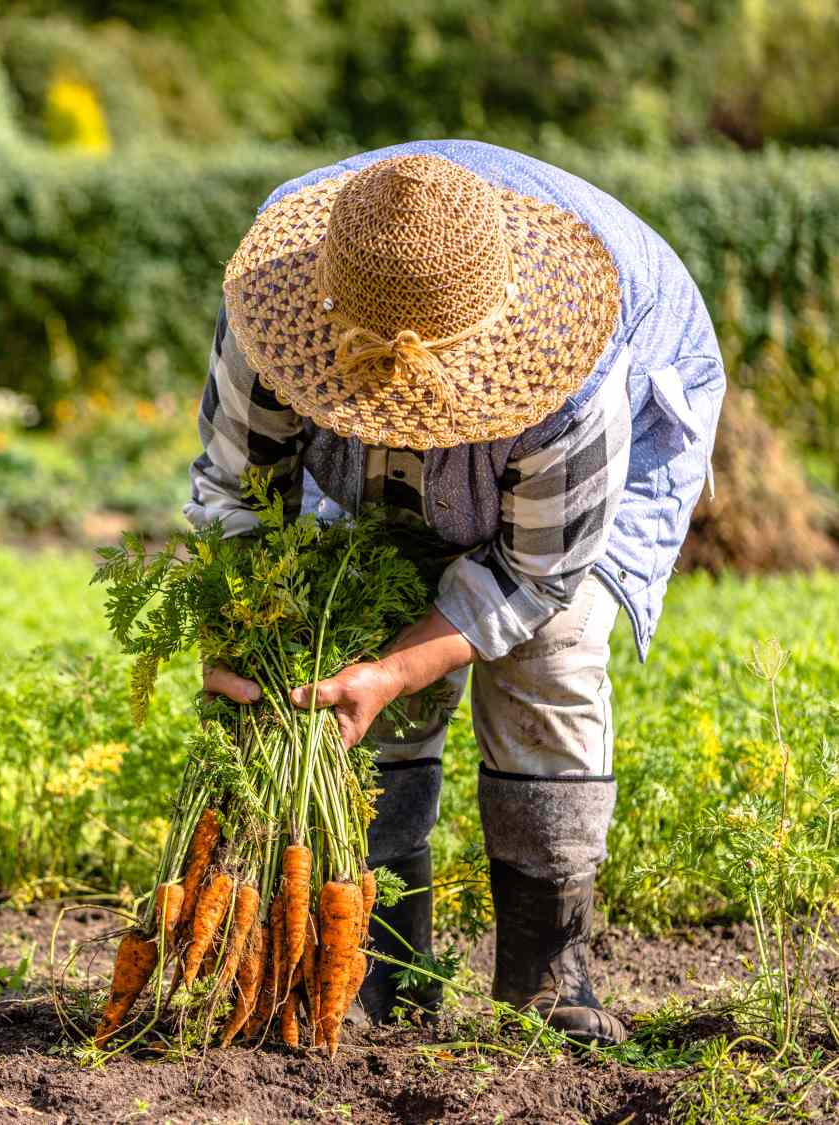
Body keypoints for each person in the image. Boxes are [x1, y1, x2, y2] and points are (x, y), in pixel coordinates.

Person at [188, 141, 725, 1046]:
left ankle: (548, 976)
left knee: (546, 659)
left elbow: (536, 574)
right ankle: (385, 969)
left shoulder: (569, 360)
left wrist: (396, 670)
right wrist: (236, 633)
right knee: (358, 643)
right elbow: (239, 497)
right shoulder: (279, 306)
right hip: (370, 425)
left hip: (606, 448)